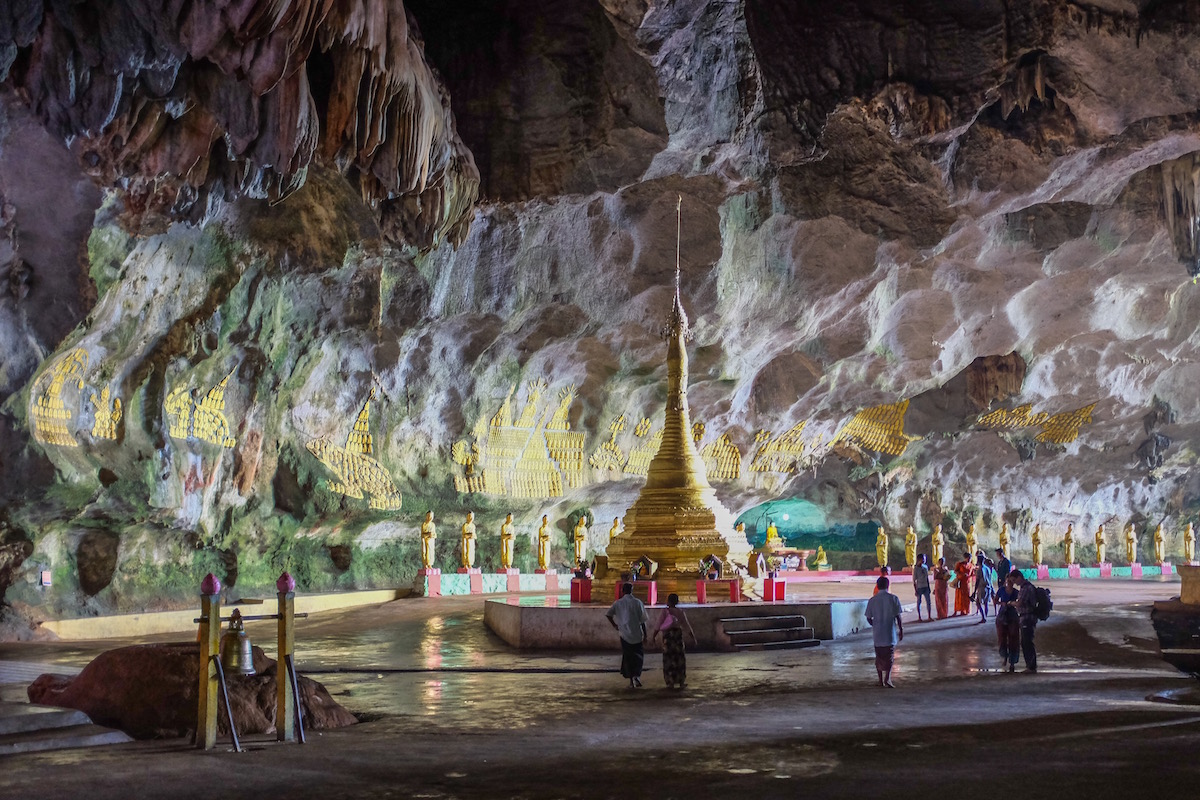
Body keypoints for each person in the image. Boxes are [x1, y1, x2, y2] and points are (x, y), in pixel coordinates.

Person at [606, 583, 649, 688]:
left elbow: (608, 614)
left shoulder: (618, 603)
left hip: (624, 634)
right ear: (632, 590)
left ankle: (631, 680)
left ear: (622, 591)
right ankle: (636, 676)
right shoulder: (637, 603)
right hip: (637, 634)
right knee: (638, 656)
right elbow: (643, 621)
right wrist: (645, 635)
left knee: (628, 657)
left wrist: (615, 625)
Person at [651, 593, 697, 689]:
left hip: (668, 637)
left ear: (668, 601)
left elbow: (658, 625)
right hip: (677, 637)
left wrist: (653, 637)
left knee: (668, 659)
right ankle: (681, 681)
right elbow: (686, 625)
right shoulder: (680, 612)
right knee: (679, 658)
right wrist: (693, 638)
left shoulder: (664, 611)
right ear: (677, 602)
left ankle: (670, 682)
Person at [865, 576, 904, 687]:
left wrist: (875, 625)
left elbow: (868, 617)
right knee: (889, 656)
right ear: (888, 586)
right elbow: (898, 617)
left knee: (879, 656)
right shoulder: (893, 598)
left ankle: (880, 680)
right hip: (889, 632)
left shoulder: (872, 600)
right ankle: (888, 678)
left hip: (878, 633)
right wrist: (901, 629)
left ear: (877, 586)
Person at [1010, 570, 1039, 673]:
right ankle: (1030, 666)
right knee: (1025, 642)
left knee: (1027, 642)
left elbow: (1019, 603)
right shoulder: (1026, 587)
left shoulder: (1026, 588)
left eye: (1014, 580)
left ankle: (1031, 667)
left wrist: (1011, 603)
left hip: (1027, 618)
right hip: (1026, 617)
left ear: (1019, 577)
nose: (1015, 583)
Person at [995, 573, 1021, 672]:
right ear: (1006, 581)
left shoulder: (1016, 592)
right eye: (1008, 581)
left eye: (1011, 581)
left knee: (1013, 638)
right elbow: (995, 600)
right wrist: (1001, 603)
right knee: (1002, 637)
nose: (1010, 583)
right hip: (1002, 615)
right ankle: (1005, 657)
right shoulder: (1001, 590)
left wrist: (1013, 604)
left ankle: (1012, 661)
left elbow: (1019, 602)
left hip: (1012, 615)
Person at [973, 552, 994, 623]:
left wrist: (974, 591)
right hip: (988, 587)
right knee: (986, 603)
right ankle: (985, 616)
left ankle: (983, 617)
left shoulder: (979, 570)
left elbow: (977, 581)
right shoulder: (987, 568)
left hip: (982, 588)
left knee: (978, 603)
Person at [912, 553, 932, 621]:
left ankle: (929, 616)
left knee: (928, 601)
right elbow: (914, 580)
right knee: (919, 601)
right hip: (919, 587)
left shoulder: (925, 567)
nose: (924, 560)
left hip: (925, 586)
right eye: (923, 559)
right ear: (919, 559)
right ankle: (919, 617)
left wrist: (929, 587)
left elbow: (927, 578)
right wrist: (915, 590)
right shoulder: (916, 568)